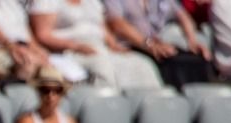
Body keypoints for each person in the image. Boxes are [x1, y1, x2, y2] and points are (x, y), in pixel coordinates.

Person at [29, 0, 162, 88]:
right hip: (70, 51)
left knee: (142, 64)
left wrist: (114, 45)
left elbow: (101, 26)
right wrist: (75, 46)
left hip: (100, 47)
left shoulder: (91, 1)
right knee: (102, 66)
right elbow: (42, 34)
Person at [105, 0, 215, 88]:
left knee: (195, 60)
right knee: (172, 64)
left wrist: (193, 41)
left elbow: (182, 15)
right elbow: (116, 23)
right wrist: (149, 44)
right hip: (131, 45)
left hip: (158, 43)